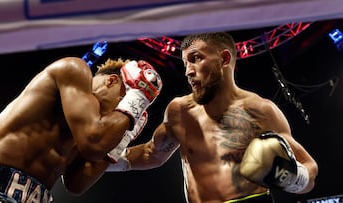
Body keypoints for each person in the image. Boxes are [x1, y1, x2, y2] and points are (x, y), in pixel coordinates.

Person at [107, 32, 319, 203]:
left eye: (196, 58)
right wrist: (106, 160)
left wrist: (291, 176)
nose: (188, 71)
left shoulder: (262, 111)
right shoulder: (180, 111)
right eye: (185, 64)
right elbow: (151, 153)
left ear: (224, 59)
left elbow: (309, 170)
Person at [0, 56, 162, 203]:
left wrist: (122, 139)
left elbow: (77, 183)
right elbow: (94, 143)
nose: (124, 112)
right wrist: (136, 99)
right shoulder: (73, 69)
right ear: (111, 81)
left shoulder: (89, 129)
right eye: (125, 98)